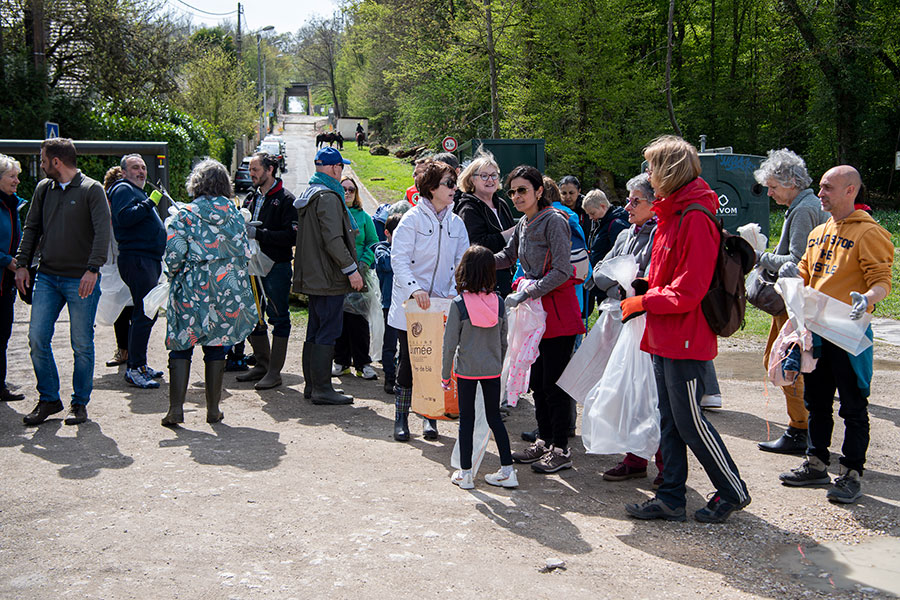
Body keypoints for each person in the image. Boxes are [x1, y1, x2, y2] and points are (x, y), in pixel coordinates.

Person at [623, 135, 749, 523]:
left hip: (686, 335)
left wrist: (644, 300)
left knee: (690, 421)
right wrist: (647, 289)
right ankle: (671, 497)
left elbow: (690, 290)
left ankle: (732, 490)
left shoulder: (693, 215)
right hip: (666, 333)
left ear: (668, 171)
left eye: (651, 167)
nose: (647, 174)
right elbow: (672, 276)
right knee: (671, 420)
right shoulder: (672, 212)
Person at [778, 165, 893, 504]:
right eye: (821, 187)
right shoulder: (818, 232)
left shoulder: (869, 233)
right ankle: (815, 462)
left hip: (849, 334)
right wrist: (790, 274)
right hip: (817, 333)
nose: (821, 193)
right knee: (816, 400)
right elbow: (804, 272)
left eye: (828, 188)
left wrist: (868, 300)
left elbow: (881, 281)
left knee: (854, 406)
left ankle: (851, 472)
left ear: (850, 191)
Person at [16, 138, 110, 426]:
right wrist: (22, 264)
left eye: (44, 161)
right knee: (36, 338)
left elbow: (102, 232)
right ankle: (49, 398)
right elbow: (32, 227)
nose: (42, 166)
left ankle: (79, 403)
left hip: (80, 278)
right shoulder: (44, 189)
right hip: (47, 276)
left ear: (56, 162)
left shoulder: (92, 189)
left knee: (81, 343)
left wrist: (92, 269)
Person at [499, 165, 585, 474]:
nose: (516, 196)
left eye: (522, 190)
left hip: (557, 315)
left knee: (555, 384)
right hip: (535, 316)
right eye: (512, 191)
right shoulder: (524, 223)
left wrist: (527, 292)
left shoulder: (554, 221)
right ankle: (545, 441)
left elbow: (562, 270)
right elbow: (508, 257)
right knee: (537, 381)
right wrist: (474, 260)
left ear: (538, 191)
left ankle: (561, 449)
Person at [161, 159, 258, 426]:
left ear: (197, 183)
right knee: (217, 345)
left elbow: (173, 255)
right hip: (225, 290)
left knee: (182, 345)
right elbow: (245, 254)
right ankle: (213, 409)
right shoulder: (237, 216)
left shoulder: (184, 214)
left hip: (191, 289)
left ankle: (175, 410)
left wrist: (173, 276)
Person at [752, 149, 829, 454]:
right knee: (787, 362)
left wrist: (757, 255)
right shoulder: (805, 205)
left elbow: (796, 261)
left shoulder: (802, 210)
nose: (769, 193)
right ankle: (803, 427)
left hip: (796, 302)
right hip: (800, 302)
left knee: (786, 364)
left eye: (773, 186)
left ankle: (800, 430)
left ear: (792, 182)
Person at [589, 172, 662, 485]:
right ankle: (634, 459)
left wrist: (637, 285)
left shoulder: (661, 233)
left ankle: (667, 463)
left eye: (636, 201)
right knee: (626, 390)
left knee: (653, 394)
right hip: (623, 320)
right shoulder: (624, 233)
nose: (628, 206)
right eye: (628, 200)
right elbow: (599, 271)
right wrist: (618, 285)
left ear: (654, 203)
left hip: (651, 324)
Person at [388, 159, 469, 441]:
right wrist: (414, 289)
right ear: (431, 187)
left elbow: (463, 262)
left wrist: (455, 292)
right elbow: (398, 260)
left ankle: (430, 416)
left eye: (454, 183)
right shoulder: (411, 219)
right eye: (448, 183)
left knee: (438, 364)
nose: (454, 188)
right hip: (412, 307)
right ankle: (401, 416)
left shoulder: (457, 223)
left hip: (443, 305)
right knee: (410, 363)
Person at [293, 147, 364, 405]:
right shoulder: (329, 197)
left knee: (314, 329)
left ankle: (313, 386)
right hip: (329, 276)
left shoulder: (310, 193)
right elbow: (334, 239)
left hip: (314, 276)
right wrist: (351, 270)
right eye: (340, 167)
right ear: (335, 168)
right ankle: (322, 388)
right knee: (328, 330)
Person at [443, 245, 515, 489]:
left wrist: (445, 376)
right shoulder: (500, 303)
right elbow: (504, 341)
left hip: (466, 370)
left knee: (467, 420)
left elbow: (449, 345)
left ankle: (466, 475)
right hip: (492, 369)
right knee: (495, 418)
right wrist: (498, 362)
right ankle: (508, 471)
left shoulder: (458, 304)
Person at [235, 152, 297, 390]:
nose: (251, 174)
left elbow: (292, 236)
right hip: (252, 265)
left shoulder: (285, 199)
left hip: (277, 267)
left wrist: (259, 234)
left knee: (279, 317)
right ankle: (262, 364)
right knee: (252, 314)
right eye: (250, 170)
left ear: (270, 170)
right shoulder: (251, 197)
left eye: (255, 170)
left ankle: (274, 371)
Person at [107, 154, 166, 389]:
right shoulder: (123, 189)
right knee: (144, 313)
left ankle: (139, 364)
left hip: (147, 259)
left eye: (143, 167)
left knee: (146, 313)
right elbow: (124, 218)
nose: (141, 171)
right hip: (138, 259)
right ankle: (134, 368)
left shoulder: (134, 191)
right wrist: (150, 203)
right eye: (135, 168)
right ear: (124, 172)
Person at [333, 175, 379, 380]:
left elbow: (373, 243)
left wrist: (363, 264)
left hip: (360, 275)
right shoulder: (333, 214)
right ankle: (341, 362)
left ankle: (362, 363)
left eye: (352, 189)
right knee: (339, 321)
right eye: (344, 189)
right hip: (338, 276)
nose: (348, 193)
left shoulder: (364, 217)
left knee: (359, 321)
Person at [454, 150, 516, 296]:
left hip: (505, 277)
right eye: (484, 176)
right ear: (471, 180)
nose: (490, 180)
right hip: (482, 282)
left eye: (494, 175)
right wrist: (511, 233)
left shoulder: (501, 204)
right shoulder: (468, 208)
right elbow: (476, 245)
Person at [101, 166, 134, 369]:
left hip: (128, 261)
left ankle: (132, 352)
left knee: (132, 310)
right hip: (111, 264)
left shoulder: (134, 201)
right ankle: (123, 350)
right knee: (119, 310)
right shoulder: (103, 206)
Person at [0, 154, 25, 402]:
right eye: (12, 176)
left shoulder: (12, 205)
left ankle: (0, 386)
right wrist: (7, 261)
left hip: (5, 286)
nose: (17, 180)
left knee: (3, 335)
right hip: (3, 274)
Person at [375, 213, 402, 395]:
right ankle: (390, 377)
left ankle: (403, 377)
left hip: (407, 303)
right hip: (389, 303)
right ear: (387, 233)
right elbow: (387, 264)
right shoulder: (382, 250)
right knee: (390, 344)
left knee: (407, 345)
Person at [558, 175, 592, 242]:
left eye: (571, 193)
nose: (568, 197)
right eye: (564, 193)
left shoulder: (587, 207)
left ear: (579, 191)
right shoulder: (557, 209)